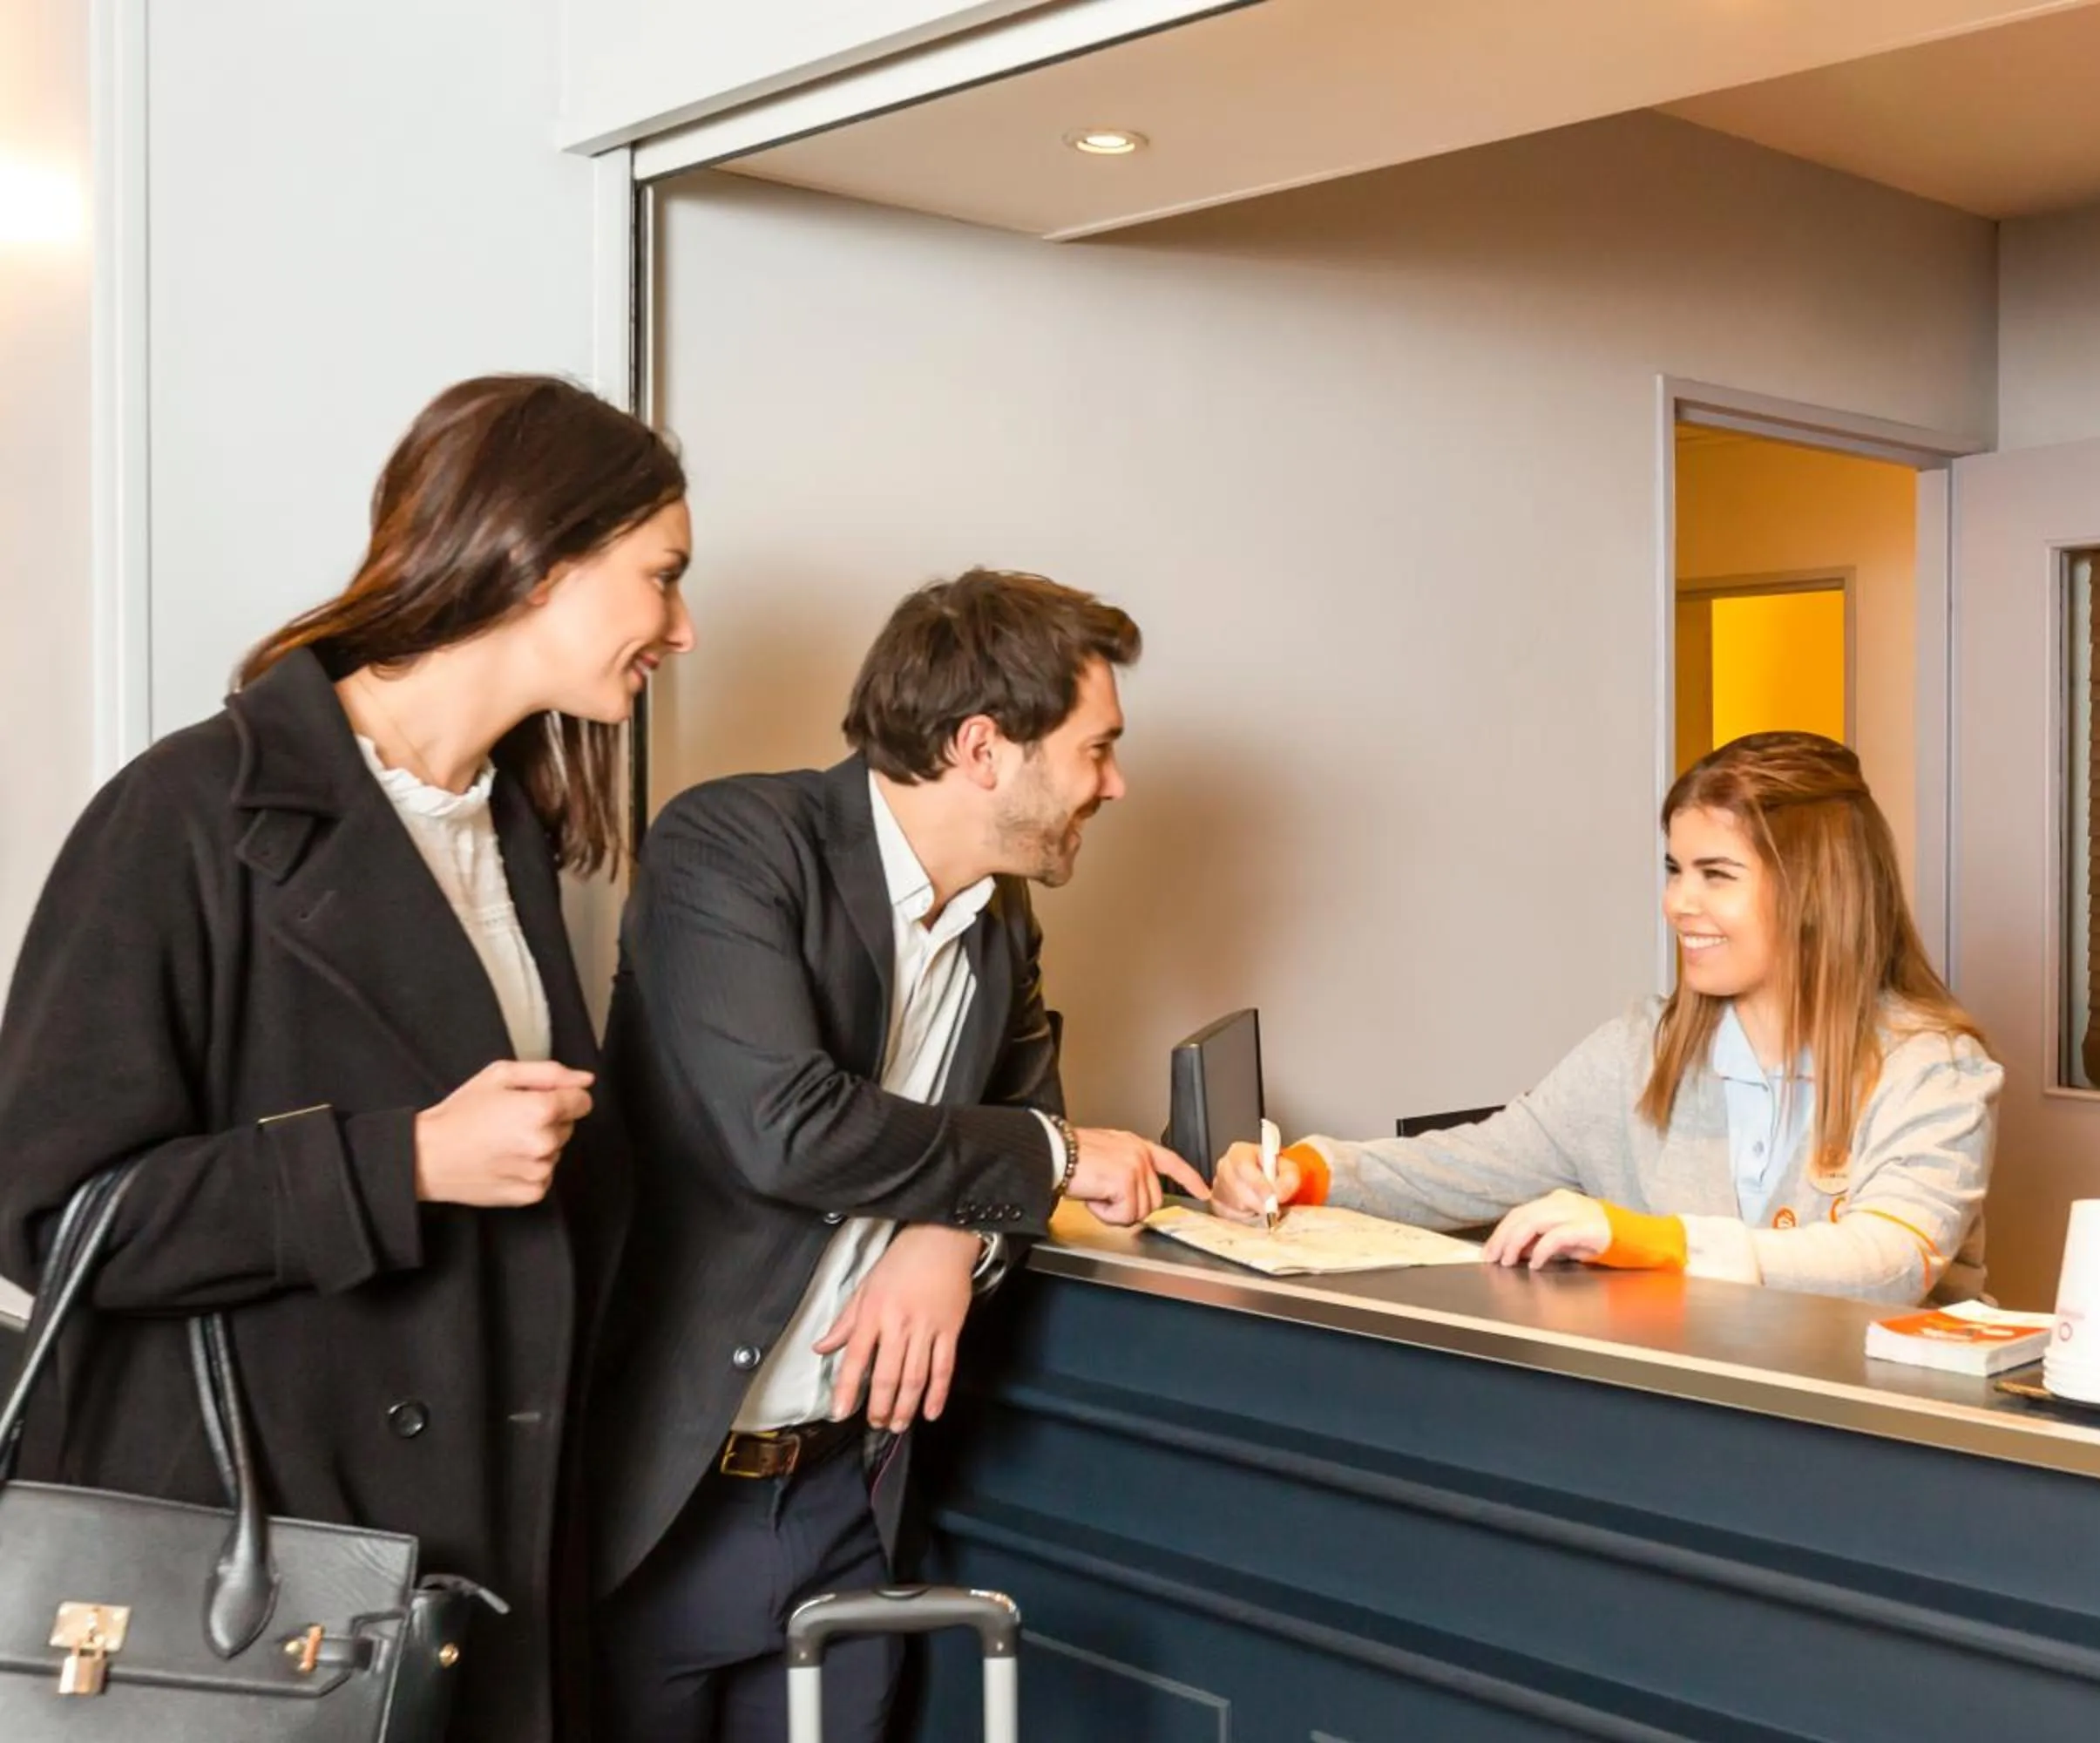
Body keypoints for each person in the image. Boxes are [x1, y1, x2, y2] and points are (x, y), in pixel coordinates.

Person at [0, 374, 697, 1740]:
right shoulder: (191, 811)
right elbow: (45, 1211)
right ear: (540, 558)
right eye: (661, 577)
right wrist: (405, 1162)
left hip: (474, 1558)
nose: (680, 625)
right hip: (262, 1575)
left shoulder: (508, 837)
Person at [589, 567, 1205, 1743]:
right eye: (1096, 749)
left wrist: (950, 1237)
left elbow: (1020, 1131)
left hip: (847, 1501)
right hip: (667, 1503)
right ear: (984, 748)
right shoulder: (730, 845)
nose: (1115, 783)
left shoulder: (1005, 917)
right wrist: (1043, 1159)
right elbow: (793, 1131)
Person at [1213, 731, 2002, 1306]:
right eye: (1674, 870)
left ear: (1818, 892)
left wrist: (1648, 1241)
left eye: (1715, 875)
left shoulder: (1930, 1067)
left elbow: (1893, 1258)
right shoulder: (1641, 1052)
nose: (1678, 903)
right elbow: (1480, 1161)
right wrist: (1310, 1173)